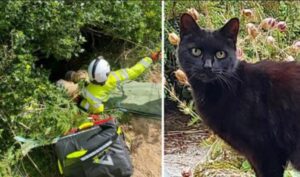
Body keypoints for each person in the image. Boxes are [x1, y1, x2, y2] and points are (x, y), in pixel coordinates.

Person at [79, 52, 160, 114]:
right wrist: (150, 58)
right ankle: (82, 103)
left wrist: (82, 103)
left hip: (85, 96)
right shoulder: (114, 77)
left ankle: (82, 103)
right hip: (91, 101)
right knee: (89, 105)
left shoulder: (89, 87)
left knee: (85, 104)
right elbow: (134, 71)